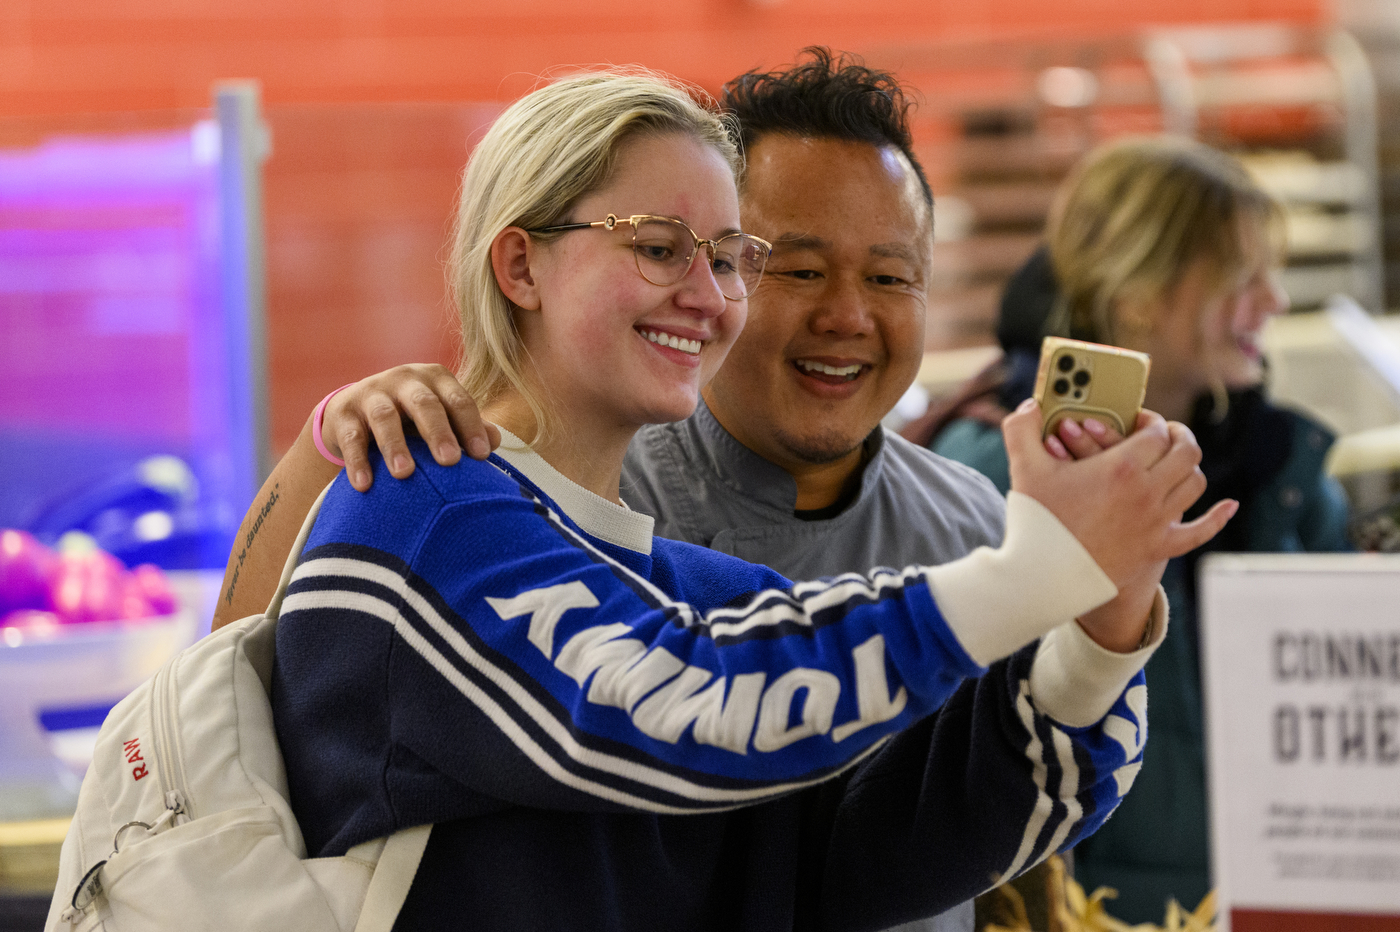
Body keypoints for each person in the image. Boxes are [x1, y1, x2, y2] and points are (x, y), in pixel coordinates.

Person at [218, 57, 1227, 931]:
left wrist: (1093, 641)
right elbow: (693, 698)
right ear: (520, 263)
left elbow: (846, 861)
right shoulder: (419, 510)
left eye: (730, 257)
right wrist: (1037, 566)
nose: (707, 295)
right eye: (658, 247)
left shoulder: (678, 579)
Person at [922, 135, 1350, 922]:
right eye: (1241, 276)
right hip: (1081, 906)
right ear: (1140, 288)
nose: (1275, 302)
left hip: (1275, 895)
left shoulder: (1288, 472)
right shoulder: (993, 466)